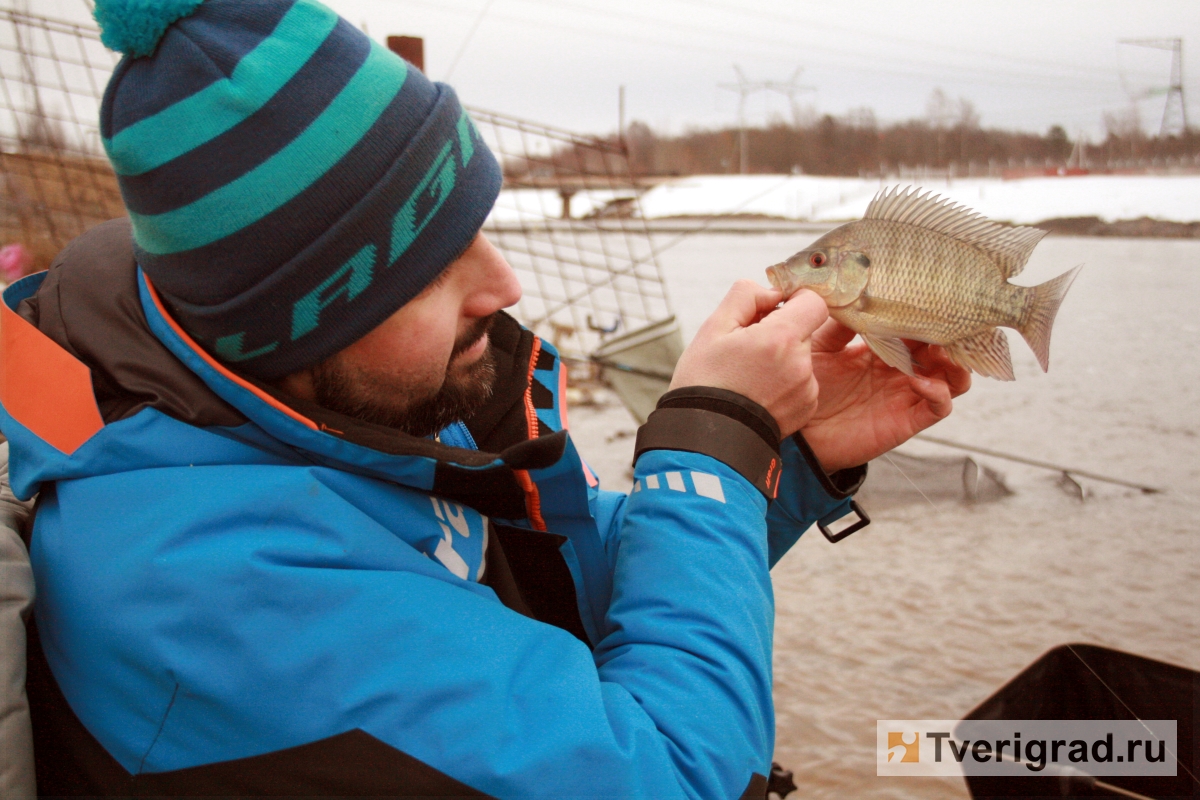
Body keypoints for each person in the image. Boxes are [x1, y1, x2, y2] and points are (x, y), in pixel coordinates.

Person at [0, 0, 969, 796]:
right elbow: (672, 773)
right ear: (301, 320)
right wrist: (712, 441)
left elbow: (572, 580)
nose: (504, 283)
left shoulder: (333, 410)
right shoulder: (210, 584)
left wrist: (778, 460)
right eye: (430, 266)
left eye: (480, 222)